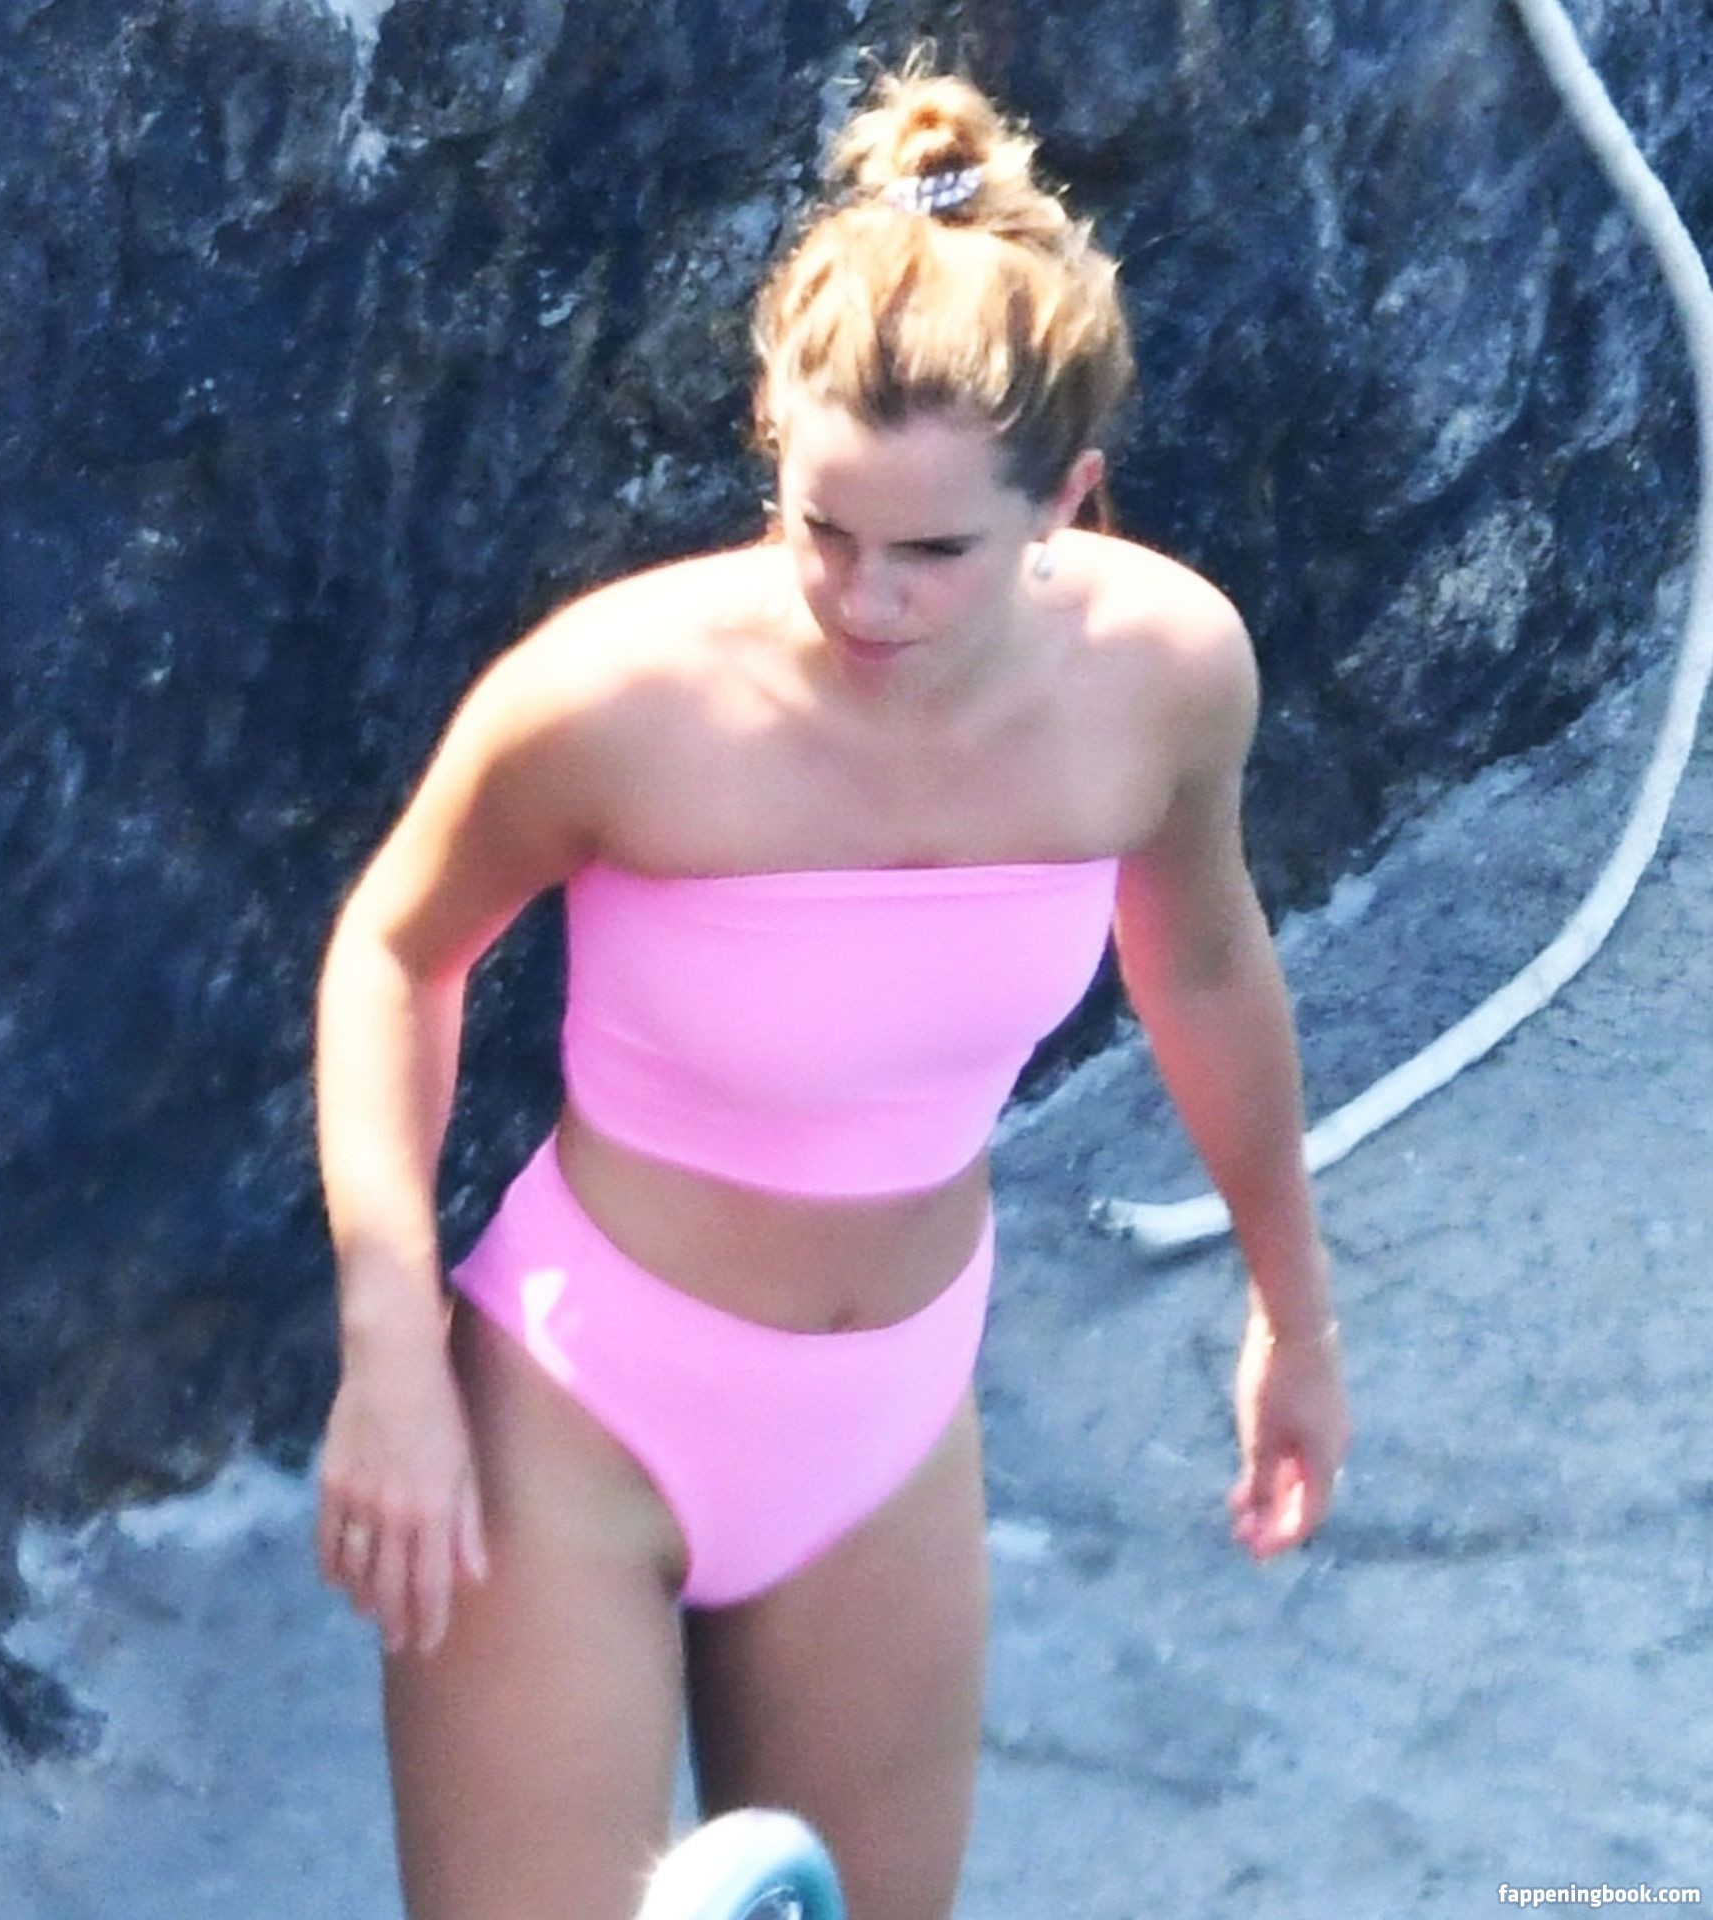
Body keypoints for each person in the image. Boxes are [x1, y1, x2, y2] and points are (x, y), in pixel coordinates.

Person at [312, 61, 1351, 1920]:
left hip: (886, 1427)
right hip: (578, 1414)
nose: (867, 601)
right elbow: (396, 952)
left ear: (1069, 502)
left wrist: (1296, 1310)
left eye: (935, 553)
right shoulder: (618, 698)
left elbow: (1199, 962)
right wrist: (389, 1352)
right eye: (822, 530)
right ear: (769, 449)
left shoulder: (1168, 676)